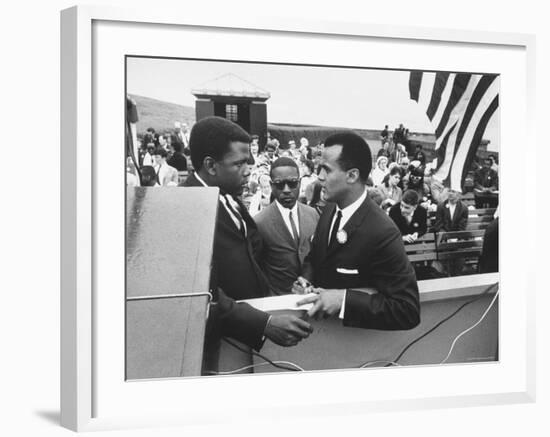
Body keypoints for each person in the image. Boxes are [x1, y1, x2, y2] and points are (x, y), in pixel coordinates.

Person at [180, 116, 312, 368]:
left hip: (248, 332)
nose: (248, 170)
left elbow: (253, 257)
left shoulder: (228, 197)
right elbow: (199, 295)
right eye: (239, 163)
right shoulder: (187, 212)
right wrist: (263, 324)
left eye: (249, 161)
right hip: (218, 349)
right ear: (210, 165)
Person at [293, 132, 420, 329]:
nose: (320, 177)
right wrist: (306, 279)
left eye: (327, 169)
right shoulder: (329, 209)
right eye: (319, 169)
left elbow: (407, 310)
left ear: (352, 175)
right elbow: (316, 256)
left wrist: (343, 300)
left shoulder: (383, 232)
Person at [255, 157, 319, 295]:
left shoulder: (313, 214)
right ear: (271, 186)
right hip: (278, 301)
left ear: (300, 183)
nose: (286, 190)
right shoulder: (259, 223)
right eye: (279, 184)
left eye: (292, 183)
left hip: (312, 298)